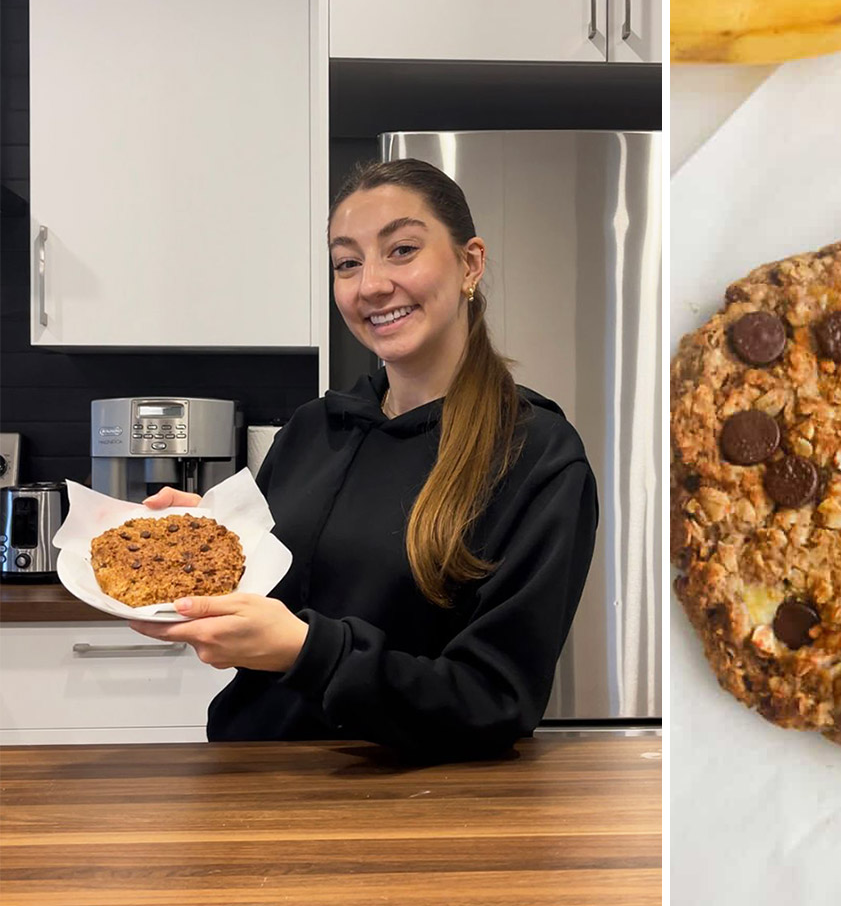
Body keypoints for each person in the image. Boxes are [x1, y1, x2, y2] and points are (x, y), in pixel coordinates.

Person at [131, 159, 599, 760]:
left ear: (470, 264)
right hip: (253, 769)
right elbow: (270, 590)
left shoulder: (536, 454)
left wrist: (308, 652)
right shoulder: (313, 429)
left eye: (402, 250)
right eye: (347, 263)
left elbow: (493, 699)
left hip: (414, 796)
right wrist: (206, 539)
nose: (371, 285)